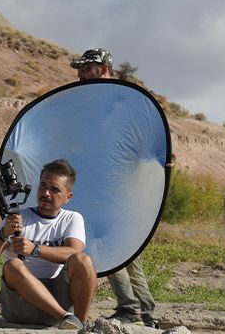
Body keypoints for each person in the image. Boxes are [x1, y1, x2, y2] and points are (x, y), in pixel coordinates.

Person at [70, 47, 159, 327]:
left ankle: (131, 308)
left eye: (86, 68)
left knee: (107, 246)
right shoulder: (98, 102)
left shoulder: (119, 102)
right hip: (105, 185)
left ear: (103, 68)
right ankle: (144, 310)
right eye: (80, 69)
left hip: (115, 187)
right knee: (127, 250)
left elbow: (143, 141)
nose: (81, 73)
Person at [0, 159, 97, 330]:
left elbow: (74, 252)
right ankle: (65, 317)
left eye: (54, 189)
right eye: (43, 186)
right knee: (12, 264)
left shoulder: (72, 218)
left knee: (84, 261)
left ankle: (80, 324)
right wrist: (4, 233)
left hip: (58, 295)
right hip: (20, 306)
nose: (46, 193)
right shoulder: (19, 217)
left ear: (68, 197)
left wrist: (35, 250)